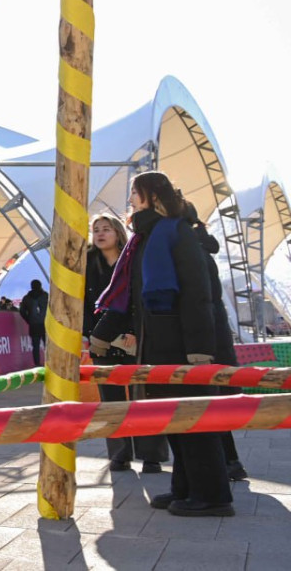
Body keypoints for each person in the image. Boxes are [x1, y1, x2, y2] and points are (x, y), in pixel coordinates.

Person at [90, 171, 232, 517]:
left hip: (183, 347)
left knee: (194, 419)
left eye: (135, 193)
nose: (130, 200)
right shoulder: (143, 239)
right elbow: (132, 298)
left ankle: (212, 495)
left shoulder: (176, 232)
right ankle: (184, 487)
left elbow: (199, 295)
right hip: (156, 347)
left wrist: (200, 350)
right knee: (174, 419)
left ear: (152, 196)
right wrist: (101, 335)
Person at [84, 212, 168, 473]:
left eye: (106, 228)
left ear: (118, 232)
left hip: (134, 339)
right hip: (101, 340)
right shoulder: (87, 263)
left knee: (143, 396)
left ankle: (151, 455)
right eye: (96, 229)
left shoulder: (133, 259)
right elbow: (84, 305)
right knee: (111, 398)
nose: (100, 233)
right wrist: (90, 334)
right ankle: (120, 454)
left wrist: (134, 331)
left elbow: (138, 298)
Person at [184, 203, 248, 482]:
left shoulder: (192, 249)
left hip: (206, 340)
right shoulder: (199, 244)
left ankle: (228, 463)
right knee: (214, 402)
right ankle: (230, 462)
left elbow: (200, 300)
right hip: (213, 337)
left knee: (210, 404)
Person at [19, 280, 49, 366]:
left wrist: (28, 320)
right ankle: (49, 363)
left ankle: (37, 364)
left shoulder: (26, 298)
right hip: (45, 324)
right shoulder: (45, 296)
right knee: (48, 346)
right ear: (40, 285)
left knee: (35, 346)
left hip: (33, 325)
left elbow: (22, 311)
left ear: (31, 286)